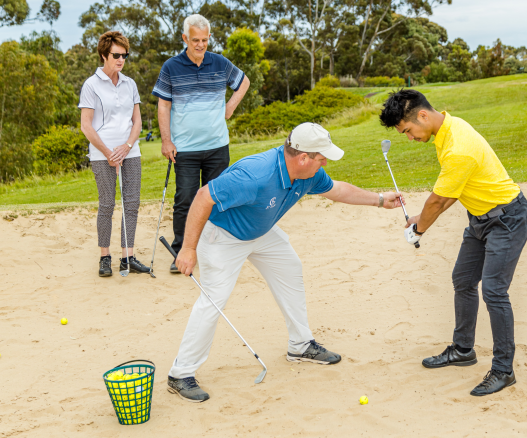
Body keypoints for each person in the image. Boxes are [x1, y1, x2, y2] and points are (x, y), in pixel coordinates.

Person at [168, 123, 404, 402]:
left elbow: (337, 190)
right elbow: (203, 196)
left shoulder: (308, 173)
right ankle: (180, 374)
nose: (324, 162)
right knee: (214, 300)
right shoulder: (255, 174)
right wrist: (188, 248)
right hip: (224, 236)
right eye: (321, 158)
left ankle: (300, 345)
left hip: (262, 231)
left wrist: (379, 200)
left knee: (290, 268)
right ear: (303, 157)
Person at [379, 89, 527, 396]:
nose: (409, 138)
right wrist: (419, 221)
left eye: (407, 131)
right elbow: (449, 194)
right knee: (462, 279)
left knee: (493, 290)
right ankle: (463, 350)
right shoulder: (446, 131)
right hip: (480, 218)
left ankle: (504, 370)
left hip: (507, 220)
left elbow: (437, 202)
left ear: (422, 116)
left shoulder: (457, 146)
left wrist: (418, 229)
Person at [151, 14, 250, 273]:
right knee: (185, 199)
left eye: (205, 40)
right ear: (185, 38)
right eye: (195, 40)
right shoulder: (171, 67)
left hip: (217, 146)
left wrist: (229, 107)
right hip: (184, 149)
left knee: (216, 198)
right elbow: (163, 104)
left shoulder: (219, 63)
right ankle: (181, 251)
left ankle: (213, 250)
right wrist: (166, 141)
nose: (201, 45)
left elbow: (244, 82)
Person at [79, 31, 150, 277]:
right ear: (103, 55)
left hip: (130, 152)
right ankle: (105, 257)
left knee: (131, 204)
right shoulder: (91, 84)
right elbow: (86, 125)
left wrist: (128, 146)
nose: (121, 60)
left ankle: (127, 257)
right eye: (116, 55)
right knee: (107, 205)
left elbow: (137, 121)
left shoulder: (130, 84)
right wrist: (109, 152)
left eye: (124, 55)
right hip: (102, 154)